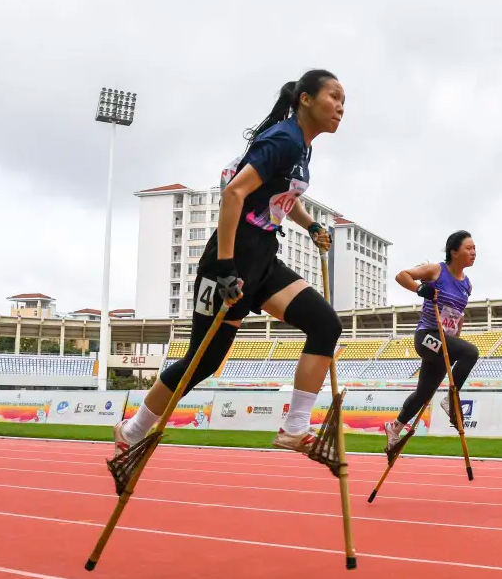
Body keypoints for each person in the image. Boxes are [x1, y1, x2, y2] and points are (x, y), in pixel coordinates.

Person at [113, 69, 345, 458]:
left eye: (344, 101)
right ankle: (133, 429)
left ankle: (294, 428)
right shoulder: (285, 139)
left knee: (325, 324)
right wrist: (224, 266)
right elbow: (234, 192)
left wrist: (310, 225)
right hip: (230, 257)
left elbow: (282, 195)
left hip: (264, 256)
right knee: (202, 361)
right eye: (334, 96)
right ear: (305, 99)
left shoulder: (302, 146)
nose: (340, 107)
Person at [384, 231, 479, 450]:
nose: (473, 252)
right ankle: (451, 400)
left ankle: (395, 427)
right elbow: (402, 275)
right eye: (468, 248)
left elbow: (458, 317)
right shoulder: (437, 270)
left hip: (445, 341)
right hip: (427, 336)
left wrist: (456, 342)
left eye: (475, 249)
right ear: (454, 252)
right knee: (471, 352)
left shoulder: (467, 285)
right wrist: (419, 288)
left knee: (424, 393)